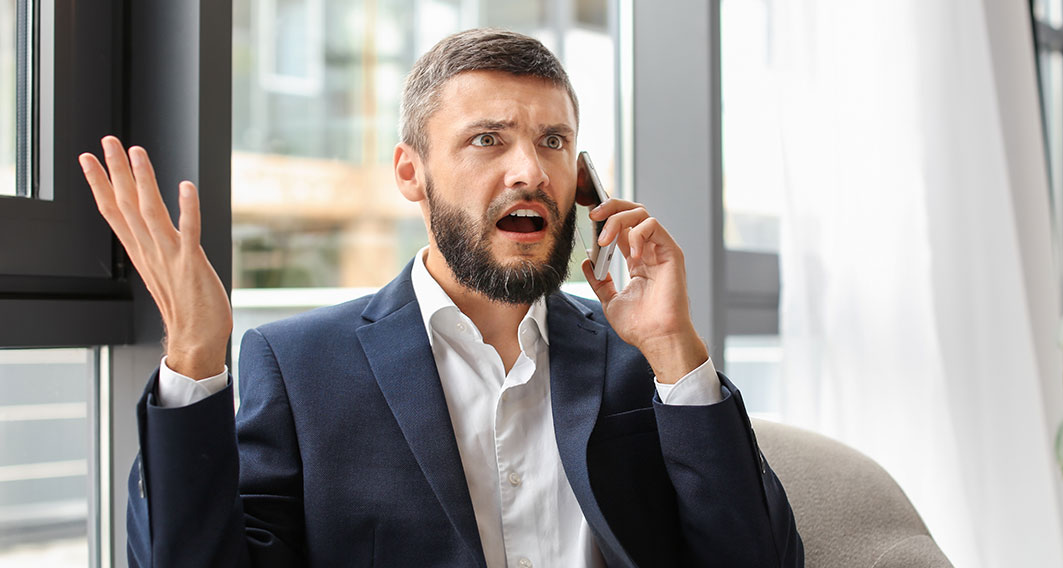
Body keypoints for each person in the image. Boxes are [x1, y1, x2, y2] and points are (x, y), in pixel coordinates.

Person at [79, 29, 803, 568]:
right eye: (488, 139)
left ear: (582, 176)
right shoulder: (302, 366)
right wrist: (195, 357)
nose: (529, 169)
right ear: (410, 173)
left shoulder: (643, 357)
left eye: (553, 141)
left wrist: (677, 351)